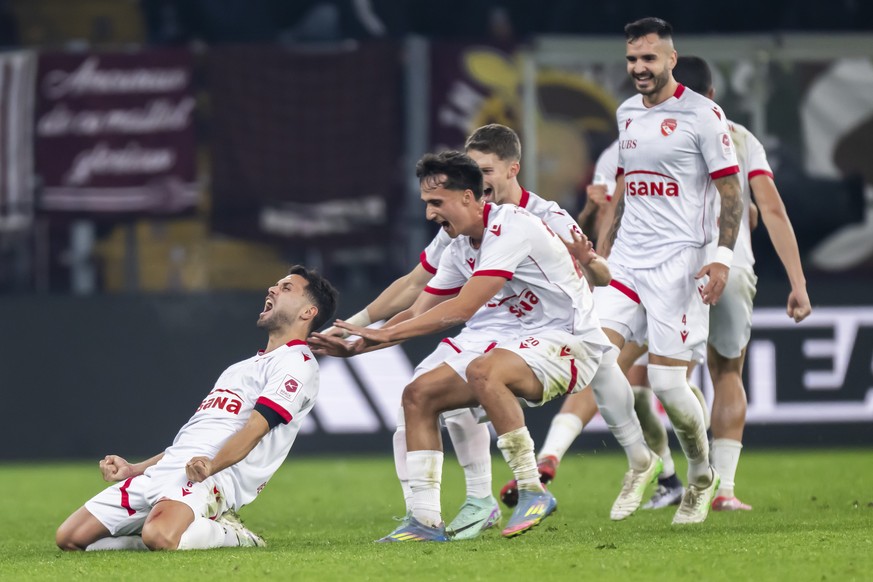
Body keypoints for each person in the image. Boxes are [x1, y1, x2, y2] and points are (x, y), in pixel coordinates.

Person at [323, 150, 655, 541]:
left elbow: (462, 307)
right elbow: (419, 308)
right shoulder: (460, 245)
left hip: (569, 342)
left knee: (483, 369)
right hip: (514, 342)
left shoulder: (511, 226)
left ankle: (532, 490)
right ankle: (425, 521)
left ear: (468, 196)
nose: (429, 214)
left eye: (436, 203)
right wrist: (357, 344)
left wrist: (385, 335)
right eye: (426, 204)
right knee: (418, 395)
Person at [630, 56, 812, 511]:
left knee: (671, 376)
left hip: (673, 270)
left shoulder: (641, 136)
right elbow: (770, 209)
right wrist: (798, 282)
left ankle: (687, 477)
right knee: (728, 371)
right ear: (710, 96)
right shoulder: (739, 137)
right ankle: (724, 490)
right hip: (731, 265)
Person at [55, 266, 338, 551]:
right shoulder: (237, 369)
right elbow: (193, 439)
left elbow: (255, 429)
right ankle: (165, 529)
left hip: (215, 476)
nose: (272, 289)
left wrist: (212, 466)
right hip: (169, 469)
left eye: (286, 288)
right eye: (275, 285)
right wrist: (134, 470)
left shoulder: (297, 364)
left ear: (307, 312)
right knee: (69, 538)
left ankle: (235, 536)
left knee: (161, 537)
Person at [590, 17, 745, 525]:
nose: (639, 68)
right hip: (629, 258)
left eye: (648, 59)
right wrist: (603, 255)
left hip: (680, 262)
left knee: (667, 384)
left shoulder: (704, 115)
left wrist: (719, 259)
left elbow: (730, 194)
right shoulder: (627, 113)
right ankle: (643, 458)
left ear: (671, 60)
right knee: (591, 355)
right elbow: (630, 194)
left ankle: (701, 474)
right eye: (632, 59)